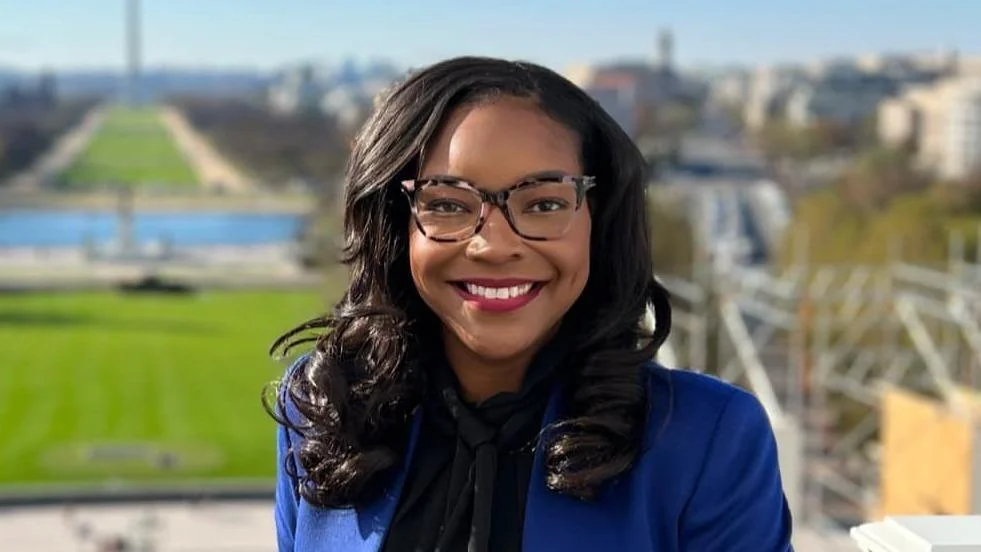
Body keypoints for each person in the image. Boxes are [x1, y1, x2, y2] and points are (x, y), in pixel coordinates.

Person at [266, 56, 793, 552]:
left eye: (544, 203)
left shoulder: (707, 438)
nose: (494, 245)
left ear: (599, 221)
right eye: (447, 203)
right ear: (392, 226)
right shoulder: (323, 406)